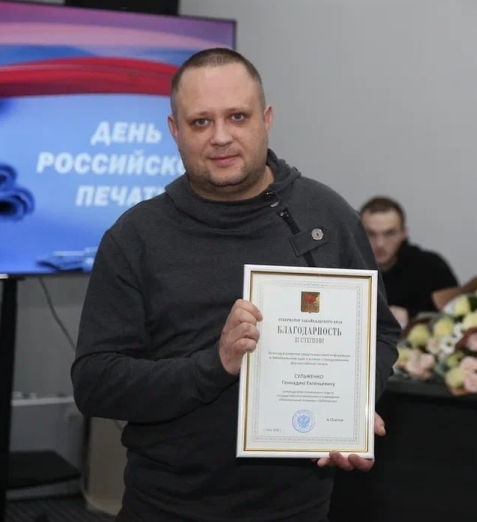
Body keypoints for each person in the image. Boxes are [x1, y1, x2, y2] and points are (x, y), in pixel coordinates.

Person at [71, 48, 400, 522]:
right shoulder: (135, 237)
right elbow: (95, 383)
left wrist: (353, 407)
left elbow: (380, 334)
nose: (221, 137)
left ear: (266, 119)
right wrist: (215, 365)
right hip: (166, 506)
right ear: (175, 130)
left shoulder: (327, 216)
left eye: (238, 117)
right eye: (201, 122)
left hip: (298, 509)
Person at [360, 196, 458, 327]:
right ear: (359, 233)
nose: (380, 244)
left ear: (403, 233)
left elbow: (458, 316)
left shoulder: (431, 267)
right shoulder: (345, 266)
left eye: (390, 233)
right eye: (370, 234)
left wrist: (412, 316)